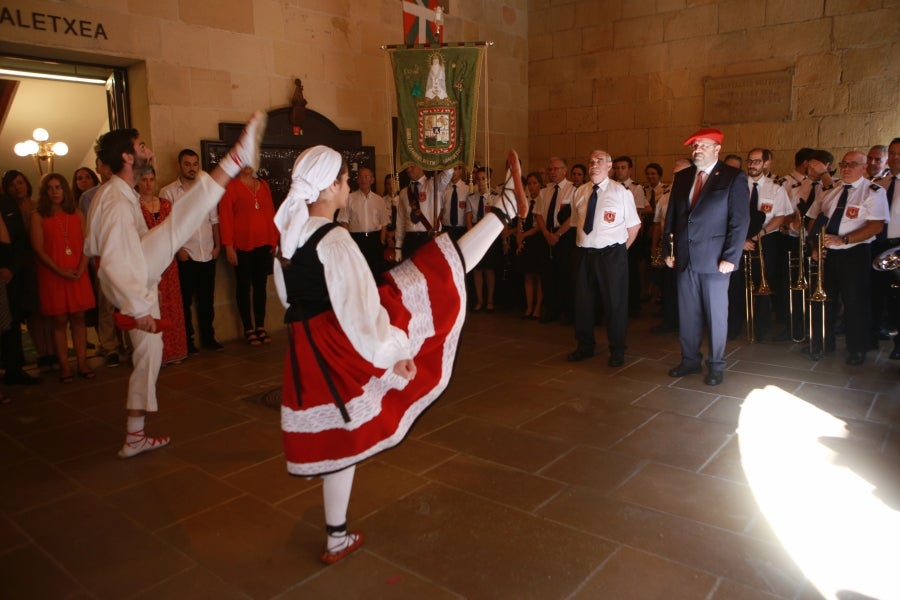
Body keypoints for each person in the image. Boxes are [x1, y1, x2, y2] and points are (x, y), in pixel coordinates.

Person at [273, 145, 528, 565]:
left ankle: (337, 536)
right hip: (340, 338)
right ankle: (504, 211)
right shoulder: (333, 239)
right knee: (435, 275)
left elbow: (288, 297)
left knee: (341, 437)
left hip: (307, 342)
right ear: (331, 186)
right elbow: (360, 312)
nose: (348, 186)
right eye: (345, 180)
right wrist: (393, 353)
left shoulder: (289, 234)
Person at [84, 110, 266, 458]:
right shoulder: (114, 200)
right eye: (141, 146)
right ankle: (234, 160)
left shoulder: (119, 194)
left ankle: (134, 436)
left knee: (150, 356)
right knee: (179, 220)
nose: (149, 151)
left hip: (139, 275)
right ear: (127, 157)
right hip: (134, 276)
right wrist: (136, 308)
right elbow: (110, 261)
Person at [664, 127, 750, 386]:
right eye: (694, 146)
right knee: (687, 315)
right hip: (685, 257)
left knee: (716, 316)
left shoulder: (733, 177)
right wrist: (669, 250)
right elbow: (672, 216)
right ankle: (690, 360)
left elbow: (739, 221)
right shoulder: (683, 177)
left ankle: (716, 365)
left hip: (715, 260)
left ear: (717, 148)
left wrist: (731, 257)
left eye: (703, 145)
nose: (697, 150)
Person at [805, 150, 889, 365]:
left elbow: (875, 226)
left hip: (854, 253)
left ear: (864, 167)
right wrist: (814, 246)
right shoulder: (831, 190)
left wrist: (844, 240)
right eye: (843, 164)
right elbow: (817, 220)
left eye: (852, 164)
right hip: (828, 253)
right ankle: (823, 342)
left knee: (855, 302)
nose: (846, 168)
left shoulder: (873, 191)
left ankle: (857, 348)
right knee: (825, 299)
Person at [568, 150, 641, 366]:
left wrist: (619, 251)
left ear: (609, 166)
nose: (594, 165)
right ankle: (585, 346)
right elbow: (576, 223)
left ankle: (617, 349)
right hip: (584, 254)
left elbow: (634, 226)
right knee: (583, 303)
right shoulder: (580, 191)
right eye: (591, 161)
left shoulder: (621, 192)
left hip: (611, 255)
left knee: (614, 304)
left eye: (599, 161)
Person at [30, 173, 95, 382]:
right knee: (59, 320)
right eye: (50, 188)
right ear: (45, 192)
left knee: (79, 317)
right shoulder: (38, 216)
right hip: (53, 274)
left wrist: (81, 268)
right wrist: (60, 271)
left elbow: (87, 243)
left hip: (77, 272)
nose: (54, 192)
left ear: (64, 190)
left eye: (58, 187)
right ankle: (65, 366)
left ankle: (82, 362)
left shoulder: (77, 214)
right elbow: (38, 249)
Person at [160, 149, 224, 354]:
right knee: (184, 301)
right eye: (187, 164)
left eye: (195, 164)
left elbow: (214, 220)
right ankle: (187, 341)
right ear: (179, 166)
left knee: (207, 300)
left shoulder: (206, 190)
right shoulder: (168, 192)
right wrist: (179, 250)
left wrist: (218, 246)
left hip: (207, 252)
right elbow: (167, 226)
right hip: (186, 254)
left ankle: (209, 338)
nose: (192, 168)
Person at [727, 148, 792, 342]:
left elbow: (780, 217)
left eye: (757, 161)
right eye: (750, 161)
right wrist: (740, 240)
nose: (752, 165)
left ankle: (761, 328)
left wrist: (759, 235)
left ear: (766, 163)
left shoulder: (776, 188)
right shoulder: (736, 186)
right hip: (739, 240)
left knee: (762, 283)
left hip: (765, 240)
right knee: (735, 284)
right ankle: (733, 326)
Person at [219, 166, 279, 346]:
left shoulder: (264, 185)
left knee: (261, 286)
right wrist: (228, 246)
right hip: (242, 246)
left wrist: (274, 239)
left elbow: (271, 213)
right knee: (243, 286)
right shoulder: (231, 187)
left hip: (264, 244)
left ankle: (260, 325)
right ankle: (248, 328)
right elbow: (226, 217)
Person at [3, 170, 55, 370]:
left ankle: (52, 350)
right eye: (11, 185)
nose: (17, 188)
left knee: (47, 309)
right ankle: (42, 353)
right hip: (23, 266)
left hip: (43, 262)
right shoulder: (8, 210)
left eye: (20, 182)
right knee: (32, 311)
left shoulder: (38, 206)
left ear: (26, 183)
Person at [138, 167, 188, 366]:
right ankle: (155, 354)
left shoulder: (166, 204)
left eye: (151, 179)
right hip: (147, 263)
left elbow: (175, 230)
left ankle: (175, 350)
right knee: (152, 306)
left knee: (171, 305)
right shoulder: (134, 206)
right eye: (144, 179)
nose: (148, 184)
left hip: (168, 261)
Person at [650, 158, 691, 334]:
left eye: (681, 174)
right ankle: (670, 320)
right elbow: (658, 224)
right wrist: (655, 246)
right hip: (670, 248)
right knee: (669, 285)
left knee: (687, 288)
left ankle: (689, 322)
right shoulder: (666, 197)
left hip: (690, 249)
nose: (677, 177)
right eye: (675, 174)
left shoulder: (697, 195)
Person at [537, 157, 576, 323]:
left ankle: (567, 312)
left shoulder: (573, 189)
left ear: (564, 171)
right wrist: (546, 233)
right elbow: (538, 214)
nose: (552, 172)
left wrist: (558, 234)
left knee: (565, 273)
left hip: (564, 235)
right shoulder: (544, 190)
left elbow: (574, 216)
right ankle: (551, 310)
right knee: (548, 274)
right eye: (550, 169)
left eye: (556, 169)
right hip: (547, 234)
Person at [337, 167, 388, 274]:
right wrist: (349, 241)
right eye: (361, 177)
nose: (363, 179)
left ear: (372, 180)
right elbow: (344, 222)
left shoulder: (379, 200)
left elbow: (384, 223)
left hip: (375, 239)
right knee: (357, 272)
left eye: (366, 177)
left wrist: (382, 241)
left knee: (376, 272)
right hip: (357, 239)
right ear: (357, 180)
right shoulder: (349, 198)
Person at [515, 171, 548, 319]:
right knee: (528, 275)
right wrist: (519, 239)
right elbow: (520, 221)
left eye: (535, 183)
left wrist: (525, 234)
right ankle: (529, 307)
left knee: (538, 276)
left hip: (538, 239)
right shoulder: (525, 200)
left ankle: (538, 308)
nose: (532, 186)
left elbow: (540, 224)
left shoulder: (543, 199)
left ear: (540, 184)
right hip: (526, 240)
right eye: (529, 183)